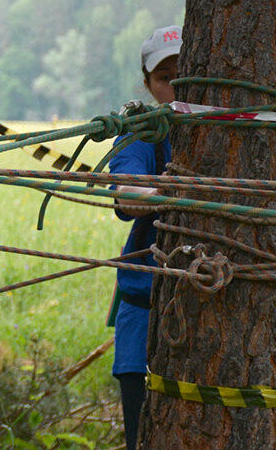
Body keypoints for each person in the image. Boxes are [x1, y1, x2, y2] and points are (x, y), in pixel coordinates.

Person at [108, 24, 180, 450]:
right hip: (144, 311)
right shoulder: (143, 130)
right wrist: (149, 194)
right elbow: (128, 185)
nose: (175, 87)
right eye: (165, 78)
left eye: (184, 75)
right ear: (149, 84)